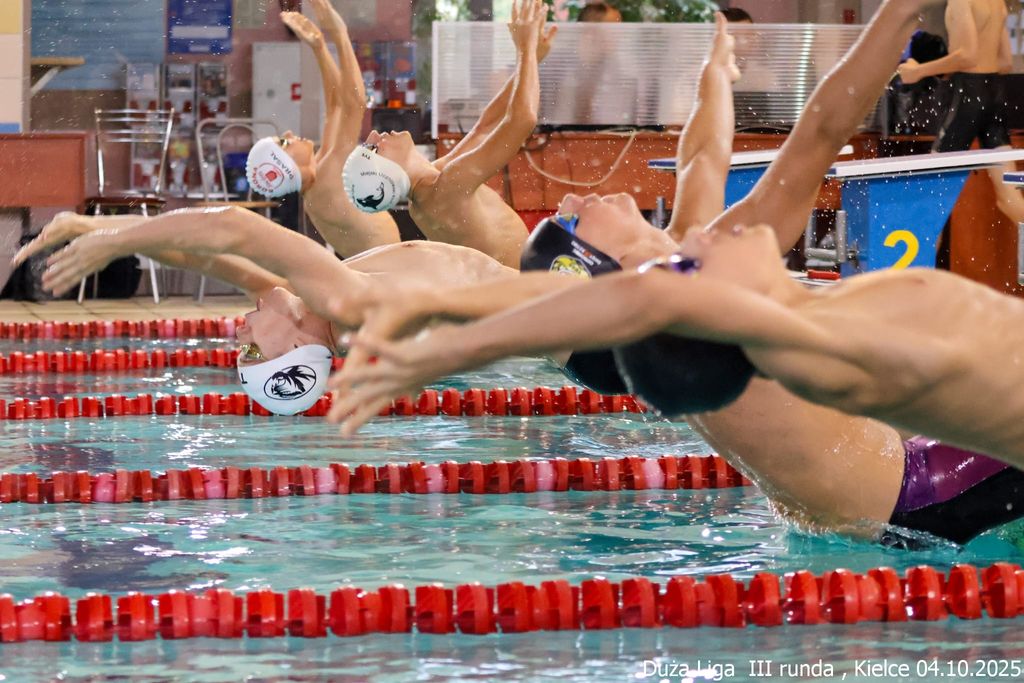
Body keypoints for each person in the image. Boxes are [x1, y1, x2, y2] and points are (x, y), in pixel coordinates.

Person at [331, 0, 1024, 546]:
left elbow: (709, 157)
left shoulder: (695, 265)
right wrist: (445, 343)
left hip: (868, 488)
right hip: (917, 495)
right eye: (571, 223)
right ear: (599, 270)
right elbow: (811, 137)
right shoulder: (712, 312)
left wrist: (715, 78)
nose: (572, 202)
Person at [16, 207, 515, 415]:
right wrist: (114, 243)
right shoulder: (346, 305)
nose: (240, 334)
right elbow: (237, 227)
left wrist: (93, 227)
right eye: (253, 350)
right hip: (552, 297)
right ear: (298, 347)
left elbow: (204, 255)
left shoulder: (320, 307)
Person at [341, 0, 556, 268]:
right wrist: (525, 50)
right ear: (389, 173)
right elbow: (522, 121)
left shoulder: (431, 187)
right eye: (373, 149)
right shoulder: (446, 189)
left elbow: (485, 126)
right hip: (522, 282)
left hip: (511, 280)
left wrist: (532, 59)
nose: (374, 134)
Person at [244, 0, 401, 258]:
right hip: (391, 271)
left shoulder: (318, 180)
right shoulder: (327, 178)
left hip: (378, 269)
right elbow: (355, 104)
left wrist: (319, 47)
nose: (289, 134)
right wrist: (339, 34)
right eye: (284, 143)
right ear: (288, 166)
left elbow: (336, 107)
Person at [897, 0, 1024, 225]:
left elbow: (967, 56)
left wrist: (918, 71)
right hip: (994, 94)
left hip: (967, 97)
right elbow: (1005, 63)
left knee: (931, 199)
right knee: (1009, 197)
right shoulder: (997, 4)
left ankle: (920, 249)